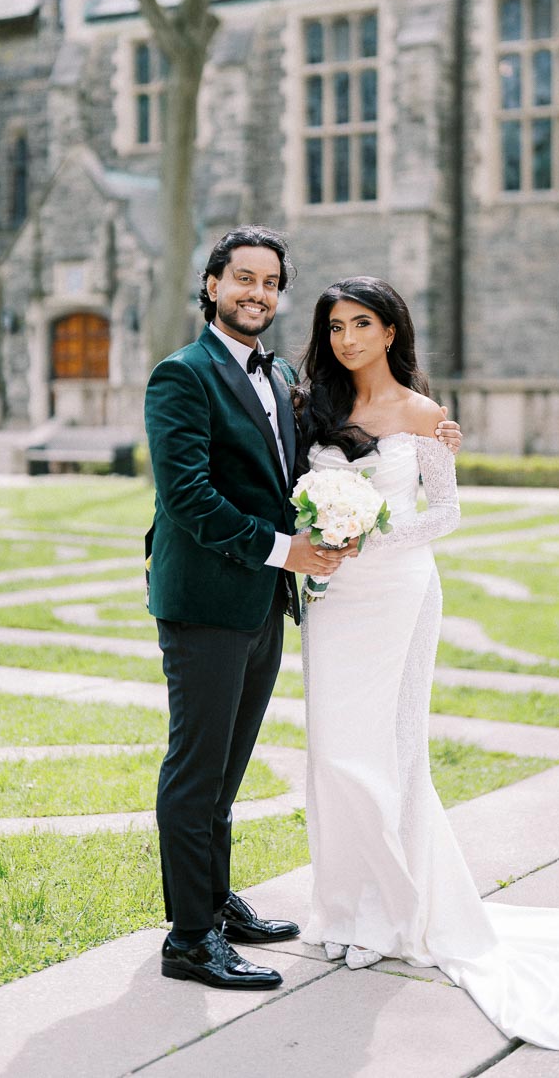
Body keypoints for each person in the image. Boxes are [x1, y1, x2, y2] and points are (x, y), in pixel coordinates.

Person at [296, 274, 559, 1048]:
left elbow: (445, 511)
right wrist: (326, 548)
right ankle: (344, 906)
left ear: (392, 331)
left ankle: (390, 916)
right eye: (334, 327)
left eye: (361, 323)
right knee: (330, 754)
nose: (347, 339)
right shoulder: (313, 409)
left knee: (387, 753)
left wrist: (365, 538)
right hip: (332, 601)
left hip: (396, 593)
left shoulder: (424, 415)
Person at [144, 228, 462, 991]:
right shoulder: (180, 375)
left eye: (270, 282)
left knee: (227, 767)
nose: (257, 292)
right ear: (212, 283)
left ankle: (216, 902)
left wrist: (430, 438)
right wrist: (289, 552)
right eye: (242, 278)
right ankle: (190, 939)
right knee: (196, 768)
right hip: (209, 599)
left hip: (270, 603)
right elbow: (188, 497)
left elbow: (312, 461)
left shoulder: (285, 374)